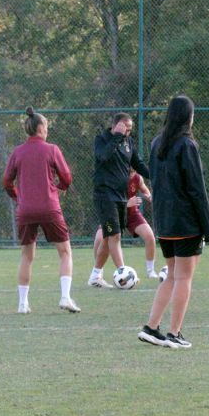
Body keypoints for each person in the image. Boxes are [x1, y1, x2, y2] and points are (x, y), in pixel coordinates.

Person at [137, 95, 209, 349]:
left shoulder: (157, 143)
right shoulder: (186, 145)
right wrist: (207, 225)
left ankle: (151, 327)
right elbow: (196, 189)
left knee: (171, 276)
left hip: (165, 222)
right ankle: (174, 333)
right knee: (183, 279)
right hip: (185, 222)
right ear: (187, 117)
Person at [2, 107, 79, 314]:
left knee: (27, 256)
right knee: (64, 252)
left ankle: (22, 304)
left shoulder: (18, 152)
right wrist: (59, 188)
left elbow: (6, 181)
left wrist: (18, 196)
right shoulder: (51, 149)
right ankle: (65, 297)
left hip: (25, 210)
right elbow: (67, 177)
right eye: (46, 126)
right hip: (49, 207)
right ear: (40, 128)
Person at [88, 112, 150, 288]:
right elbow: (103, 156)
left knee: (109, 239)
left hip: (121, 197)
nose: (127, 133)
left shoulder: (129, 142)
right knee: (114, 235)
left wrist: (157, 175)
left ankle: (95, 276)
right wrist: (116, 137)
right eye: (125, 129)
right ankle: (124, 274)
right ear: (115, 126)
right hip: (104, 197)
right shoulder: (102, 139)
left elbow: (138, 164)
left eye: (130, 130)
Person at [91, 172, 163, 279]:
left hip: (132, 214)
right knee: (99, 238)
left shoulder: (137, 178)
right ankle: (98, 272)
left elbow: (144, 189)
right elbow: (110, 199)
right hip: (115, 213)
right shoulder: (114, 178)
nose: (132, 170)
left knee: (150, 236)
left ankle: (150, 271)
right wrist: (127, 203)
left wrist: (148, 196)